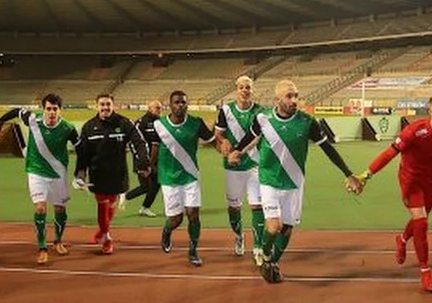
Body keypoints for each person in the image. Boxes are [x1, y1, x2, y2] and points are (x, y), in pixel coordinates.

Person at [227, 80, 363, 283]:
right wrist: (236, 151)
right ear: (278, 99)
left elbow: (328, 149)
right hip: (269, 180)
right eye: (289, 96)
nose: (294, 100)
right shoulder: (263, 119)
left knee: (287, 229)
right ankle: (264, 255)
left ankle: (272, 261)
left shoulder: (307, 122)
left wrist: (348, 173)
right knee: (273, 227)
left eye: (296, 96)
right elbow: (250, 137)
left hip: (294, 184)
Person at [361, 94, 432, 293]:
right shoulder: (413, 131)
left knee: (421, 219)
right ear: (431, 111)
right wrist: (367, 173)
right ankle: (425, 270)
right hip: (410, 180)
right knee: (421, 222)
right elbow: (389, 153)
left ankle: (402, 239)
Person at [0, 94, 80, 263]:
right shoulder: (33, 120)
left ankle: (58, 241)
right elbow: (17, 111)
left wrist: (80, 171)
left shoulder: (68, 128)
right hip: (36, 171)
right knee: (40, 208)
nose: (52, 112)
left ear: (60, 110)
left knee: (59, 209)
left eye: (55, 109)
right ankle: (42, 247)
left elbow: (81, 149)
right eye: (48, 109)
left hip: (58, 173)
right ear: (43, 109)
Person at [74, 93, 150, 254]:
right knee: (102, 205)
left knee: (111, 205)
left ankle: (102, 230)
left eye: (108, 104)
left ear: (113, 105)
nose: (105, 107)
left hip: (118, 173)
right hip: (98, 174)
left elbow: (139, 141)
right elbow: (83, 153)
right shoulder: (89, 127)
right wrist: (80, 174)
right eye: (102, 104)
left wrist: (143, 162)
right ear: (97, 106)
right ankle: (107, 238)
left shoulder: (124, 123)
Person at [155, 90, 222, 267]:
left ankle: (193, 251)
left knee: (193, 214)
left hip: (190, 176)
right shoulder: (159, 125)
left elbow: (213, 140)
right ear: (170, 105)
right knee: (176, 219)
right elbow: (154, 150)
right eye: (177, 102)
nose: (180, 105)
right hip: (169, 178)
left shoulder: (196, 123)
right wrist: (148, 169)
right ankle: (167, 230)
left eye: (184, 102)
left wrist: (227, 153)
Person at [213, 75, 263, 261]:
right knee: (234, 207)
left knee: (257, 205)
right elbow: (218, 135)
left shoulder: (260, 111)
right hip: (232, 167)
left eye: (248, 87)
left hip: (255, 164)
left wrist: (240, 152)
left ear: (252, 90)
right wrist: (223, 142)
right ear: (236, 89)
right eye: (241, 87)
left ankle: (258, 246)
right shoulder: (225, 110)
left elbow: (258, 137)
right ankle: (239, 236)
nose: (245, 90)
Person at [124, 99, 163, 217]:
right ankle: (124, 196)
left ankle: (145, 207)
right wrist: (143, 161)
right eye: (157, 108)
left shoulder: (160, 122)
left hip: (155, 160)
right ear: (150, 108)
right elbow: (134, 142)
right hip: (142, 160)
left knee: (155, 184)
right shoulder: (141, 123)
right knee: (146, 186)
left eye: (160, 108)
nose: (160, 110)